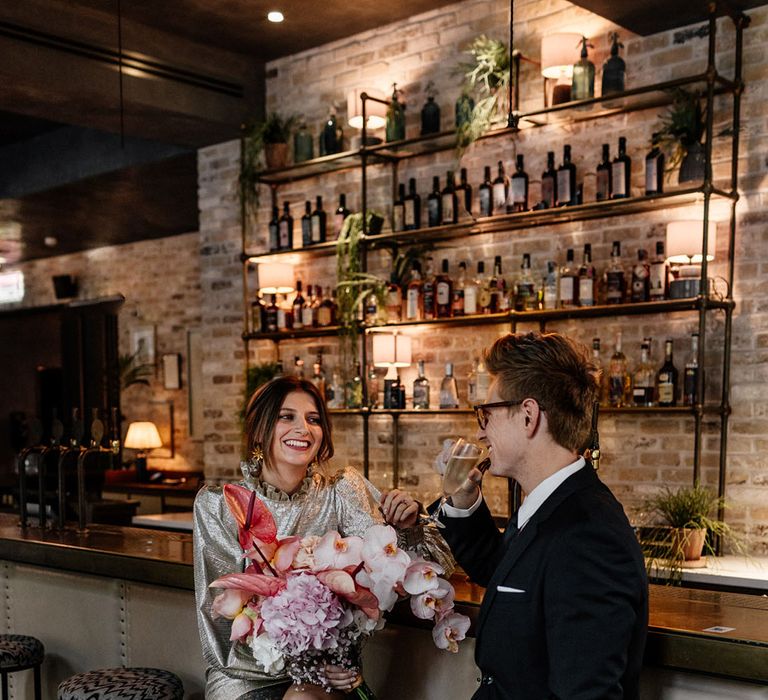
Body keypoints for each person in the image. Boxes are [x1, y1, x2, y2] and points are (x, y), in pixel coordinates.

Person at [193, 375, 452, 700]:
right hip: (244, 676)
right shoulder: (221, 504)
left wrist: (410, 526)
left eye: (313, 419)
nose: (303, 428)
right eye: (286, 416)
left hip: (328, 671)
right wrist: (303, 661)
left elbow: (399, 583)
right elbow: (218, 618)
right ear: (260, 428)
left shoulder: (342, 491)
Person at [436, 332, 648, 699]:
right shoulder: (550, 505)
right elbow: (508, 575)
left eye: (487, 415)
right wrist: (464, 502)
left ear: (529, 416)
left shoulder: (588, 536)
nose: (480, 432)